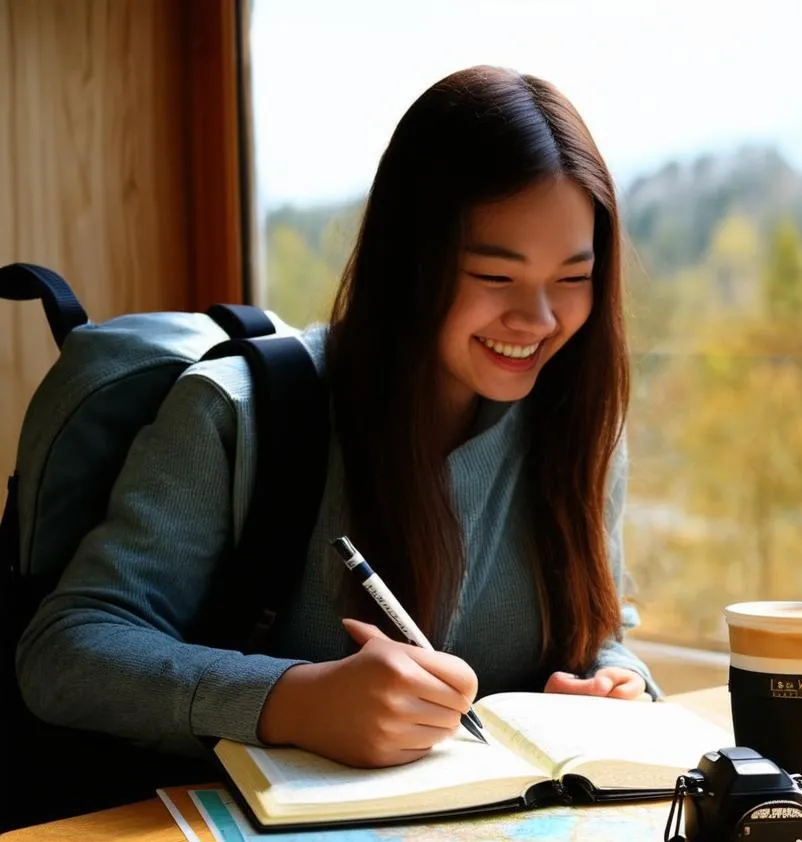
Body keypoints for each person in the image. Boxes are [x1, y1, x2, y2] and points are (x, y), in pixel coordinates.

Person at [16, 65, 655, 771]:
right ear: (410, 259)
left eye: (573, 278)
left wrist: (616, 686)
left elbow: (602, 634)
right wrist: (296, 700)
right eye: (495, 277)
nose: (537, 320)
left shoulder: (578, 424)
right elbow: (65, 650)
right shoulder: (241, 413)